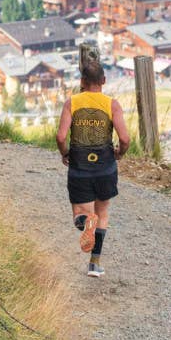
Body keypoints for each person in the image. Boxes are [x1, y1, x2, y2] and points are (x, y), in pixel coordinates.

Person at [56, 58, 131, 277]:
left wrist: (65, 153)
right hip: (105, 166)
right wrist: (120, 153)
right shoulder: (112, 104)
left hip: (79, 166)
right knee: (102, 212)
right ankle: (94, 264)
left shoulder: (72, 103)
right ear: (104, 81)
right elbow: (125, 138)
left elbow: (61, 136)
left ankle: (85, 223)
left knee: (82, 214)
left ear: (82, 81)